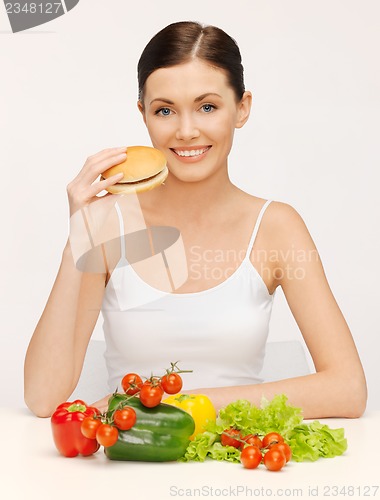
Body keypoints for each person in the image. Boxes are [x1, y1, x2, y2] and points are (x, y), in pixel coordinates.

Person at [24, 21, 367, 418]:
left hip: (244, 465)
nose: (186, 131)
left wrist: (179, 405)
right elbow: (43, 397)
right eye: (165, 110)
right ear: (144, 115)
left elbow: (348, 388)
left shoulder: (276, 227)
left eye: (207, 107)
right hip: (129, 467)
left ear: (242, 108)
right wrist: (78, 239)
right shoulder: (109, 224)